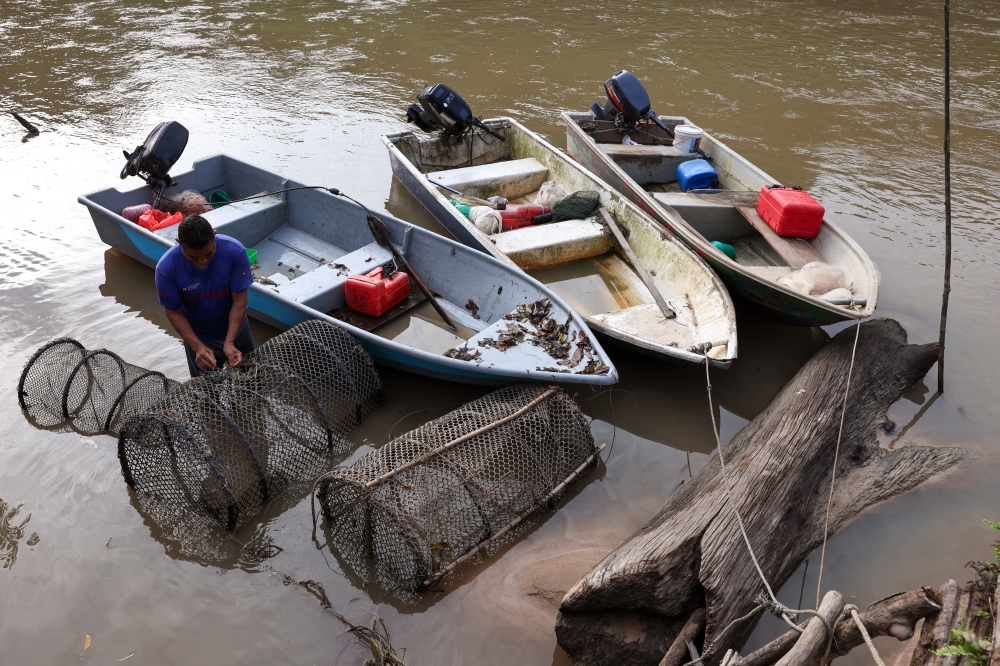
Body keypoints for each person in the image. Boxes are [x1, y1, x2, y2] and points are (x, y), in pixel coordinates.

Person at [155, 215, 255, 377]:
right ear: (178, 242)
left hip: (237, 330)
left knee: (250, 380)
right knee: (207, 394)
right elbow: (174, 312)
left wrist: (230, 342)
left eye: (209, 254)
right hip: (199, 337)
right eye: (193, 257)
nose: (202, 261)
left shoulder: (234, 251)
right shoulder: (166, 269)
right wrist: (198, 347)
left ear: (214, 236)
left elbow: (239, 300)